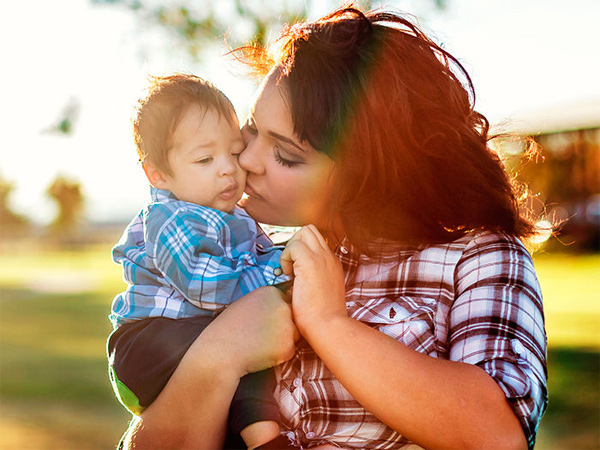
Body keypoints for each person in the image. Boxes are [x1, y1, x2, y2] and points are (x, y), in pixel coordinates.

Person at [119, 6, 548, 450]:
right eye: (251, 130)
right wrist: (219, 354)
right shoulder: (258, 259)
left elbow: (498, 437)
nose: (245, 161)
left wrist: (329, 323)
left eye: (285, 154)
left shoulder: (478, 258)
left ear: (369, 173)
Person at [107, 74, 291, 450]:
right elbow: (208, 286)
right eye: (205, 159)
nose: (228, 168)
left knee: (250, 360)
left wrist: (282, 258)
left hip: (188, 330)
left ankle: (254, 436)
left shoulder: (233, 215)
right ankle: (264, 438)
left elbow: (261, 255)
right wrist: (278, 272)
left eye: (234, 150)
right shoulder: (171, 218)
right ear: (158, 173)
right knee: (242, 344)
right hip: (148, 344)